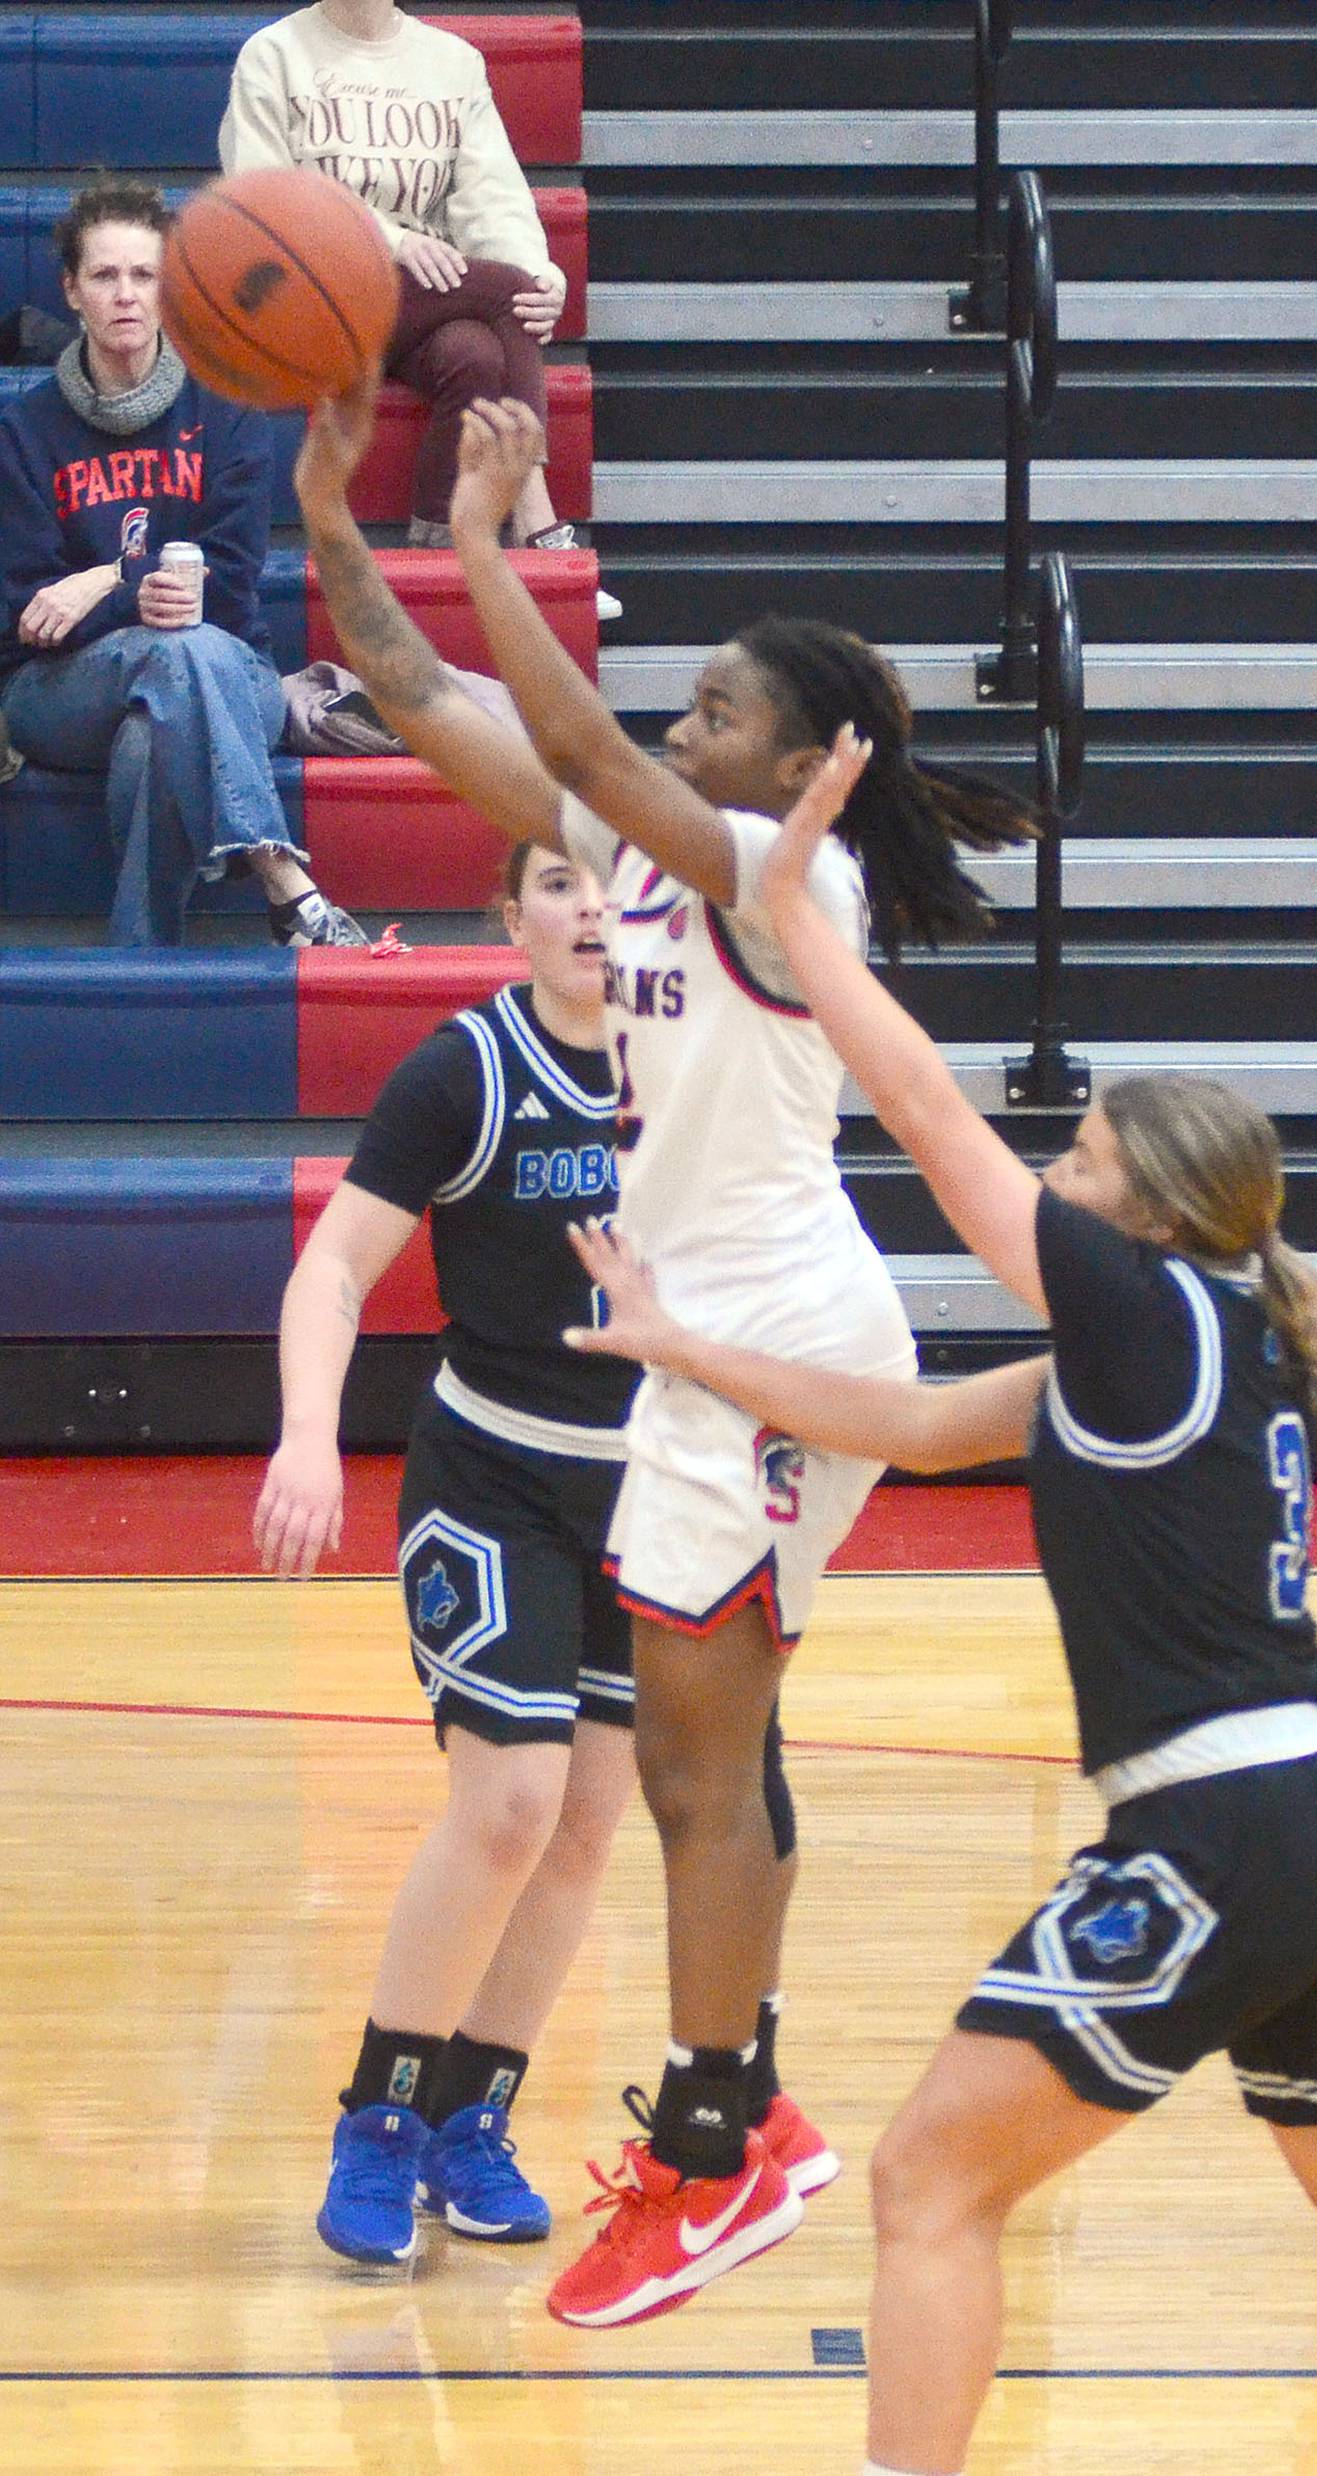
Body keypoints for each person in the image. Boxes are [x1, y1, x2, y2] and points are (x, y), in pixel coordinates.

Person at [558, 749, 1317, 2474]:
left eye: (1088, 1156)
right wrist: (686, 1351)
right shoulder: (1211, 1335)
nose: (1060, 1164)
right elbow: (903, 1424)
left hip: (1223, 1830)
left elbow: (925, 1116)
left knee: (925, 2180)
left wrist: (799, 917)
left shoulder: (1142, 1303)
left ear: (1156, 1209)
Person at [287, 378, 1033, 2325]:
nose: (686, 721)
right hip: (708, 1339)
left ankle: (719, 2146)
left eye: (718, 706)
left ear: (813, 762)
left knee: (698, 1767)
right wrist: (336, 520)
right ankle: (743, 2120)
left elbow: (581, 740)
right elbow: (428, 698)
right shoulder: (645, 852)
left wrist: (485, 545)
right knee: (709, 1752)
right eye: (684, 698)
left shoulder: (796, 878)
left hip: (777, 1324)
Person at [254, 839, 639, 2265]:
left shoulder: (712, 1069)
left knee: (592, 1824)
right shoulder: (464, 1071)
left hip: (655, 1496)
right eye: (557, 881)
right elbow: (335, 1267)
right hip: (495, 1480)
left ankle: (477, 2119)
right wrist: (307, 1434)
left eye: (614, 879)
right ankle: (380, 2118)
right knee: (511, 1809)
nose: (592, 905)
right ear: (511, 913)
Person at [0, 179, 362, 949]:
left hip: (230, 672)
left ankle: (140, 959)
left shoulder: (229, 414)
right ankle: (280, 873)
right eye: (104, 276)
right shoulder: (24, 432)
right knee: (173, 659)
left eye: (145, 275)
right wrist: (144, 596)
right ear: (71, 290)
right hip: (61, 695)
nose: (125, 295)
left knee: (158, 724)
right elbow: (28, 617)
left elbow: (223, 598)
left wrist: (103, 581)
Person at [220, 0, 622, 616]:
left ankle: (431, 553)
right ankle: (536, 515)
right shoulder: (273, 55)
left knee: (475, 356)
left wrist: (536, 276)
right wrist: (393, 241)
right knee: (500, 295)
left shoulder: (452, 62)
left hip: (421, 306)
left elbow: (491, 198)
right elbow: (262, 198)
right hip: (312, 294)